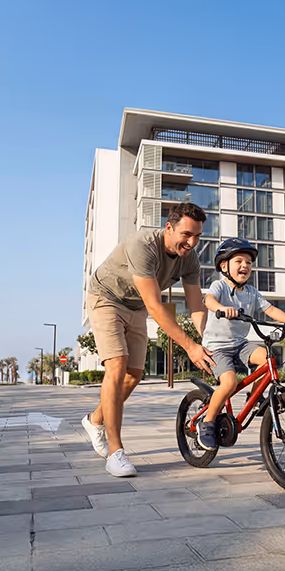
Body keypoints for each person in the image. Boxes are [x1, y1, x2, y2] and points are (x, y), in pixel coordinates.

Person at [82, 201, 216, 476]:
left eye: (197, 236)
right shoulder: (142, 245)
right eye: (186, 235)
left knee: (134, 375)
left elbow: (196, 307)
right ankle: (115, 452)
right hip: (106, 298)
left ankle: (95, 420)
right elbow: (156, 307)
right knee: (117, 366)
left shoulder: (190, 259)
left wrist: (208, 340)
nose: (192, 242)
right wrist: (189, 347)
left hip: (136, 307)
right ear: (169, 228)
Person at [197, 237, 285, 450]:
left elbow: (270, 310)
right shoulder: (218, 285)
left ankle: (255, 399)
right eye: (238, 261)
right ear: (224, 266)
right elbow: (209, 300)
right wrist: (221, 308)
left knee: (268, 360)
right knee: (228, 383)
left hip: (239, 344)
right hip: (216, 347)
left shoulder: (251, 292)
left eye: (248, 262)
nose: (244, 266)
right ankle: (207, 422)